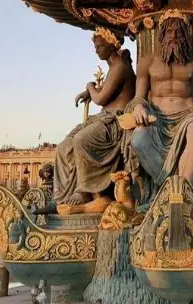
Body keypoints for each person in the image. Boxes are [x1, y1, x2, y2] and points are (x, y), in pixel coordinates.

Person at [126, 11, 193, 197]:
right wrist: (139, 106)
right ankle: (167, 187)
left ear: (185, 36)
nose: (173, 36)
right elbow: (138, 97)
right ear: (161, 36)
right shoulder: (147, 63)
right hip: (157, 119)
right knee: (138, 139)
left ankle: (182, 194)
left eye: (178, 33)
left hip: (189, 114)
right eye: (169, 32)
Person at [54, 28, 136, 206]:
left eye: (99, 46)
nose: (96, 50)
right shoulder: (112, 69)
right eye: (95, 46)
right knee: (63, 147)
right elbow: (105, 94)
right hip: (102, 118)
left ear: (111, 45)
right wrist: (90, 91)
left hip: (116, 120)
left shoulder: (121, 66)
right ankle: (62, 197)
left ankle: (85, 191)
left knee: (82, 139)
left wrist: (90, 86)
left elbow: (100, 99)